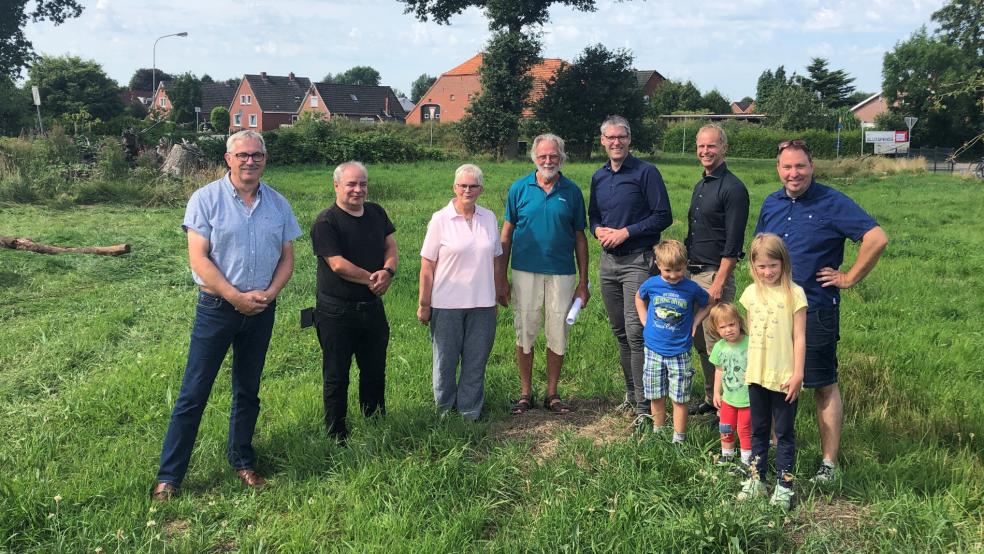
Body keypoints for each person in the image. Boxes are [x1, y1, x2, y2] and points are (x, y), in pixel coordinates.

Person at [152, 130, 302, 500]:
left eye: (257, 155)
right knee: (194, 392)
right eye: (243, 155)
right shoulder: (205, 199)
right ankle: (170, 477)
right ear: (228, 159)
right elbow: (198, 259)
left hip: (261, 310)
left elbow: (287, 258)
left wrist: (269, 294)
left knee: (248, 390)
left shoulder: (278, 204)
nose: (250, 161)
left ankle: (243, 461)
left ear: (265, 160)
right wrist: (235, 297)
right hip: (217, 309)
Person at [756, 140, 888, 483]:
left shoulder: (832, 202)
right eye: (787, 167)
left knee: (822, 383)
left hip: (815, 308)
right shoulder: (771, 203)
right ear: (778, 169)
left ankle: (829, 463)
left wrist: (849, 277)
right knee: (772, 380)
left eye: (800, 166)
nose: (793, 173)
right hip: (773, 312)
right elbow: (759, 251)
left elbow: (876, 238)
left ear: (812, 167)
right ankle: (776, 450)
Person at [496, 134, 589, 415]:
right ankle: (525, 393)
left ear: (562, 157)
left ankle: (552, 393)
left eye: (554, 156)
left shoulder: (572, 192)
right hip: (524, 271)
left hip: (562, 273)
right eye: (543, 156)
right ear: (534, 158)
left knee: (558, 331)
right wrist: (500, 277)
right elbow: (506, 233)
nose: (548, 161)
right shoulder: (519, 188)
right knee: (525, 330)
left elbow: (580, 237)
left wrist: (583, 282)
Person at [589, 115, 672, 425]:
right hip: (608, 263)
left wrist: (626, 232)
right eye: (610, 137)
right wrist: (597, 230)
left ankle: (644, 407)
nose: (616, 142)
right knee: (621, 332)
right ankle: (631, 393)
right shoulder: (599, 177)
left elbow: (663, 215)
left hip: (638, 260)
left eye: (621, 137)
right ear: (603, 141)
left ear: (629, 139)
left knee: (637, 333)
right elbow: (593, 216)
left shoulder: (645, 172)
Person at [311, 161, 399, 444]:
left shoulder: (376, 212)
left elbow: (390, 245)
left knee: (374, 369)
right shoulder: (326, 222)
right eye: (351, 184)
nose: (358, 190)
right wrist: (372, 280)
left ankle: (375, 421)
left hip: (372, 309)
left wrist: (388, 271)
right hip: (336, 311)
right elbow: (337, 265)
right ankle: (336, 433)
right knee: (337, 374)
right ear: (336, 185)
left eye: (363, 184)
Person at [418, 164, 502, 421]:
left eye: (473, 186)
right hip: (446, 304)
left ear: (481, 189)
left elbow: (496, 258)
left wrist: (497, 294)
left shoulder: (489, 218)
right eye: (463, 185)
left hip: (483, 304)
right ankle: (444, 410)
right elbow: (427, 264)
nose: (468, 190)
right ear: (454, 187)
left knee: (476, 361)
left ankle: (469, 411)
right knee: (445, 361)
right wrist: (424, 303)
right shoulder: (440, 219)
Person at [736, 233, 807, 511]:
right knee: (759, 430)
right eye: (762, 266)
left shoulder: (795, 294)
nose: (768, 272)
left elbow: (799, 337)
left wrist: (798, 374)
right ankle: (756, 479)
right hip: (756, 375)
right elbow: (750, 333)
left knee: (785, 433)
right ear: (753, 266)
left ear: (784, 263)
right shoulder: (750, 294)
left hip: (784, 377)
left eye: (773, 265)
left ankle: (784, 486)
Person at [685, 124, 750, 419]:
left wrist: (719, 282)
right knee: (701, 342)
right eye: (701, 146)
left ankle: (728, 408)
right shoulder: (701, 185)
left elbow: (733, 243)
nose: (705, 151)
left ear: (724, 148)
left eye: (711, 146)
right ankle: (712, 399)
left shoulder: (733, 189)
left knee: (719, 344)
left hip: (714, 276)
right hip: (693, 274)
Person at [634, 240, 710, 442]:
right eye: (668, 270)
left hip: (680, 351)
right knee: (655, 394)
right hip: (653, 350)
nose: (674, 275)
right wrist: (644, 319)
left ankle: (679, 438)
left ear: (686, 264)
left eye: (679, 269)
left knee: (680, 397)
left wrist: (696, 322)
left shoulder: (691, 288)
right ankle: (658, 432)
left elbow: (709, 303)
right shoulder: (652, 284)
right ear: (658, 264)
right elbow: (639, 298)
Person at [708, 303, 751, 467]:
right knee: (725, 427)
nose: (728, 330)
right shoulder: (719, 347)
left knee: (744, 428)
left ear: (739, 322)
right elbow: (718, 371)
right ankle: (727, 455)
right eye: (722, 327)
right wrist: (716, 392)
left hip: (747, 398)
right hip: (728, 398)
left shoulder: (750, 344)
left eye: (732, 324)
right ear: (716, 329)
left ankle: (747, 460)